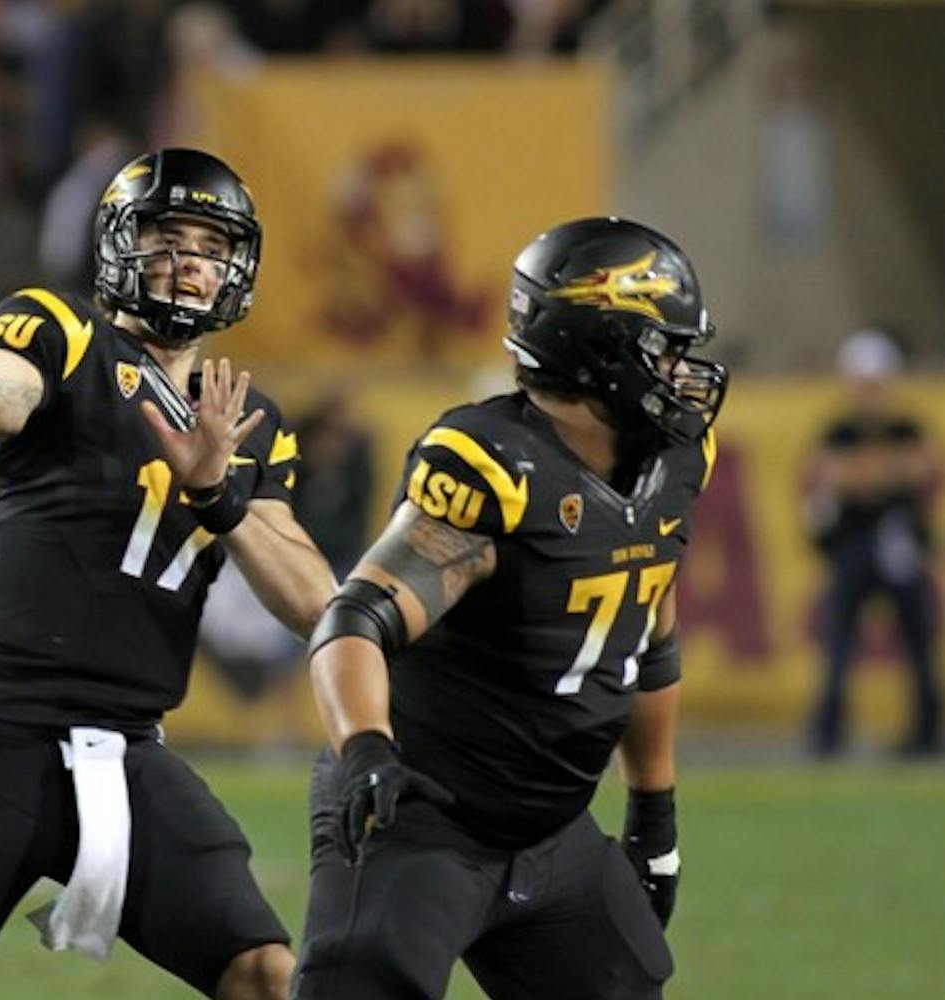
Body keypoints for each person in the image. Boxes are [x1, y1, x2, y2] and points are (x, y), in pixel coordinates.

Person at [0, 118, 335, 1000]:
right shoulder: (64, 332)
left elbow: (315, 603)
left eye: (212, 246)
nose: (192, 263)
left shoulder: (247, 418)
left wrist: (218, 492)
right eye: (167, 239)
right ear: (121, 245)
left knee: (264, 971)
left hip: (130, 748)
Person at [292, 218, 728, 1000]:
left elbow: (650, 630)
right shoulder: (496, 466)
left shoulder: (673, 462)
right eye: (664, 348)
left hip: (551, 832)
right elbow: (354, 620)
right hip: (421, 818)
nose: (682, 370)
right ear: (602, 351)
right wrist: (364, 751)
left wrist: (653, 813)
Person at [804, 329, 945, 757]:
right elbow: (831, 477)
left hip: (900, 541)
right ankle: (828, 734)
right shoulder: (839, 430)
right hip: (853, 543)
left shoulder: (906, 426)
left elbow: (922, 469)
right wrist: (884, 471)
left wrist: (859, 474)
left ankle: (927, 733)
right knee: (839, 645)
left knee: (919, 644)